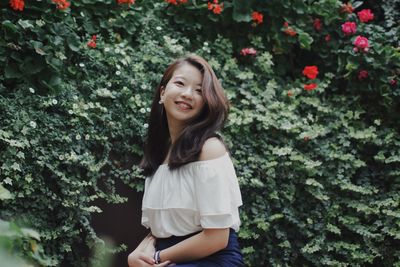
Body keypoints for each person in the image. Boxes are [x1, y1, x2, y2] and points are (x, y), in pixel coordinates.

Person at [127, 54, 244, 267]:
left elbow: (217, 238)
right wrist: (136, 256)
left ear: (206, 102)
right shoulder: (160, 154)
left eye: (199, 91)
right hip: (169, 258)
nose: (188, 94)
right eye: (180, 83)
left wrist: (155, 259)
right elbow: (160, 232)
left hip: (210, 260)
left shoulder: (209, 149)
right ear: (163, 92)